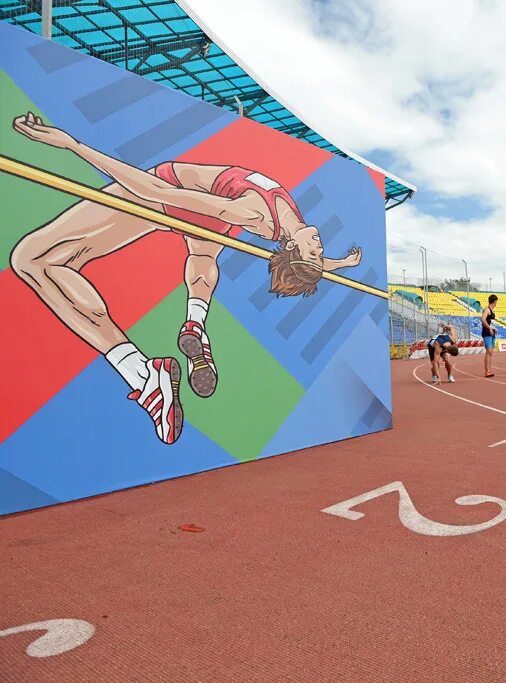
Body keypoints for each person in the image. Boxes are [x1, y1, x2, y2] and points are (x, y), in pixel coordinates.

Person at [9, 112, 363, 445]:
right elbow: (311, 264)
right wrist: (341, 264)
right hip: (212, 215)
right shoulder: (291, 224)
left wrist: (73, 145)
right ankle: (195, 324)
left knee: (32, 259)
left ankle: (142, 376)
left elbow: (157, 193)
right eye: (319, 251)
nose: (319, 246)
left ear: (291, 247)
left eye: (314, 252)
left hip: (173, 195)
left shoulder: (256, 213)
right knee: (204, 254)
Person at [481, 294, 498, 377]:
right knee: (489, 351)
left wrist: (494, 329)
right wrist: (490, 328)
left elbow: (491, 322)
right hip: (487, 333)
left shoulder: (492, 311)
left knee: (490, 353)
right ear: (494, 301)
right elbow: (483, 320)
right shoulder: (487, 310)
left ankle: (489, 370)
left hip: (492, 333)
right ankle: (487, 371)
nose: (497, 303)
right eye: (496, 301)